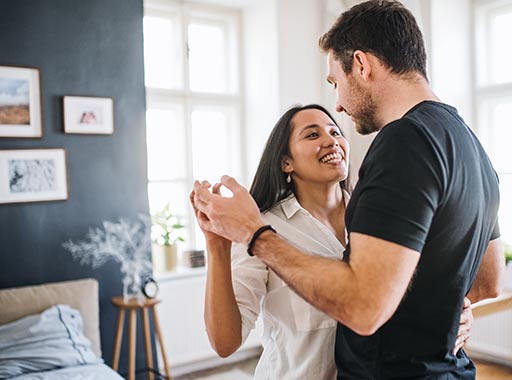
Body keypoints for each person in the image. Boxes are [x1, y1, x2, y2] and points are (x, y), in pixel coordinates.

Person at [191, 1, 505, 378]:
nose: (338, 106)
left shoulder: (403, 142)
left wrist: (255, 235)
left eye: (335, 83)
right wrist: (443, 315)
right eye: (312, 133)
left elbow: (365, 307)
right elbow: (487, 281)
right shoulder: (470, 143)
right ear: (284, 161)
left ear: (361, 64)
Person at [194, 104, 474, 379]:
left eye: (335, 132)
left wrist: (455, 316)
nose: (331, 141)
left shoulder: (383, 217)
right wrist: (217, 247)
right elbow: (225, 343)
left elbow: (408, 292)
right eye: (313, 135)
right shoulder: (260, 228)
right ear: (285, 162)